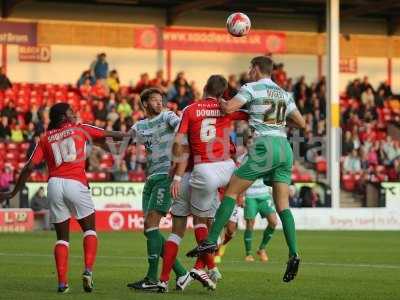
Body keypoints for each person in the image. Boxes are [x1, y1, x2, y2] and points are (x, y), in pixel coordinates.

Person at [186, 56, 306, 283]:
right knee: (283, 206)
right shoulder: (284, 93)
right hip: (284, 147)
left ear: (257, 69)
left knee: (231, 191)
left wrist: (218, 101)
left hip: (265, 146)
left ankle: (211, 240)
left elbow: (229, 108)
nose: (249, 71)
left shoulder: (251, 87)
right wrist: (277, 123)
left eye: (251, 67)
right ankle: (293, 253)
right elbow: (301, 123)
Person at [0, 103, 127, 294]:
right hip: (75, 182)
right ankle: (88, 270)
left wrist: (13, 192)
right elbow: (113, 135)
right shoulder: (80, 128)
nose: (73, 113)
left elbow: (28, 168)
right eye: (70, 112)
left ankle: (62, 283)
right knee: (90, 230)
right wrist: (136, 135)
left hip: (54, 185)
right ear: (62, 117)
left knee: (62, 238)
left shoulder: (45, 138)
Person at [158, 75, 248, 292]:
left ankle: (163, 280)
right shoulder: (226, 109)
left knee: (178, 230)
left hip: (195, 172)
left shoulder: (190, 110)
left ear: (205, 87)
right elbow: (248, 112)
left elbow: (179, 144)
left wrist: (176, 174)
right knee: (207, 224)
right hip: (221, 169)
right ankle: (205, 266)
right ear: (223, 92)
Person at [126, 88, 191, 292]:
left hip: (166, 176)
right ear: (145, 104)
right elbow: (121, 139)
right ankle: (182, 273)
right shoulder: (139, 126)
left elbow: (182, 126)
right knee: (149, 229)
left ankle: (152, 277)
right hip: (150, 179)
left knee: (151, 225)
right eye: (154, 100)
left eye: (160, 100)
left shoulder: (168, 116)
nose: (158, 103)